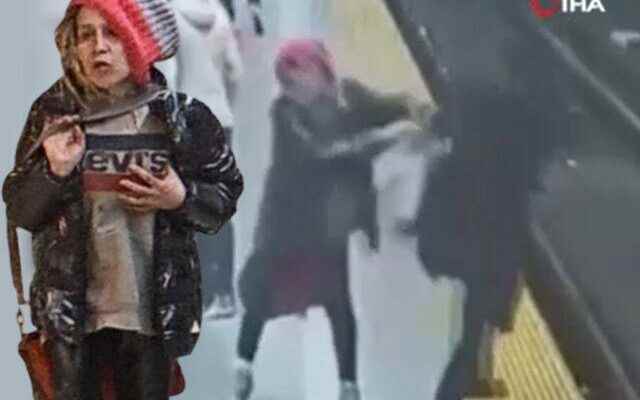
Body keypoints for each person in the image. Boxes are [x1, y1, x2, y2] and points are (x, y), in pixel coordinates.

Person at [2, 1, 243, 399]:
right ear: (71, 46)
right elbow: (21, 209)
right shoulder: (54, 115)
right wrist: (54, 172)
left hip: (152, 320)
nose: (99, 47)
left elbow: (224, 195)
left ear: (137, 40)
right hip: (72, 324)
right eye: (86, 35)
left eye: (112, 32)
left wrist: (179, 198)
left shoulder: (181, 117)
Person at [233, 38, 422, 400]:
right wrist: (385, 139)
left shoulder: (348, 96)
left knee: (339, 304)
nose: (289, 88)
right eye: (285, 81)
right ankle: (243, 367)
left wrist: (416, 111)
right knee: (261, 297)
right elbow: (320, 156)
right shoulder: (284, 113)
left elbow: (387, 106)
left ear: (320, 71)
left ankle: (347, 386)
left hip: (327, 226)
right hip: (286, 226)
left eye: (296, 78)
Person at [170, 0, 244, 319]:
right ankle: (224, 293)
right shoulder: (219, 15)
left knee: (188, 202)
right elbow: (235, 71)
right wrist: (225, 104)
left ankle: (198, 293)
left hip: (188, 119)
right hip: (222, 119)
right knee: (219, 202)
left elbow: (170, 76)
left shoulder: (170, 14)